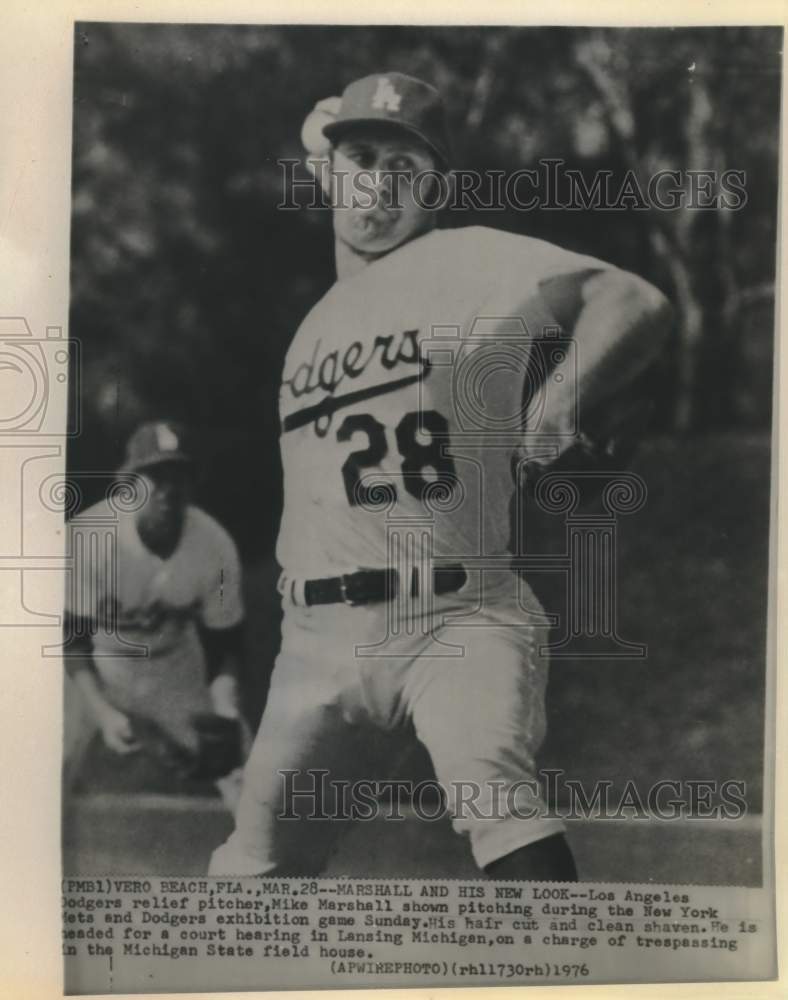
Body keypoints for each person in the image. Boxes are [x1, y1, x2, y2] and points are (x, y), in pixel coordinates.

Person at [210, 72, 672, 878]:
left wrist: (558, 402)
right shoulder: (315, 323)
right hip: (317, 640)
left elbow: (631, 300)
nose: (381, 188)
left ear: (440, 192)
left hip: (456, 618)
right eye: (362, 162)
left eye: (407, 171)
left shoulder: (467, 258)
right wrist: (339, 138)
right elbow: (327, 136)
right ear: (327, 171)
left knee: (496, 799)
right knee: (249, 872)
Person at [63, 420, 247, 810]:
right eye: (156, 475)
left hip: (173, 666)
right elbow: (71, 639)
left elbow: (224, 642)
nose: (169, 488)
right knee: (47, 768)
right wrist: (102, 712)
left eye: (179, 475)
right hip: (97, 663)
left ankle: (269, 869)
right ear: (128, 483)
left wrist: (226, 708)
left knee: (241, 768)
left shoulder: (214, 545)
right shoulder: (89, 536)